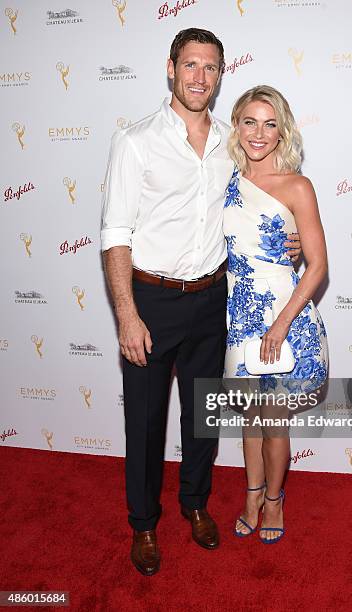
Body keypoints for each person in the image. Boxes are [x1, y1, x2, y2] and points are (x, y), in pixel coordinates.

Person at [100, 30, 301, 575]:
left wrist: (296, 236)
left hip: (214, 300)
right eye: (190, 65)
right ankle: (143, 524)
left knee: (202, 421)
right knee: (144, 423)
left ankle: (195, 505)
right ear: (171, 69)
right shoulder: (135, 140)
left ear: (220, 75)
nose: (199, 77)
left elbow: (265, 197)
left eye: (210, 68)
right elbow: (115, 231)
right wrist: (126, 313)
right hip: (151, 299)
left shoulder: (231, 145)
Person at [224, 85, 328, 543]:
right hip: (237, 315)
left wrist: (282, 322)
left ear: (282, 130)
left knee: (273, 420)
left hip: (283, 315)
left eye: (269, 123)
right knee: (250, 417)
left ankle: (273, 500)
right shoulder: (223, 180)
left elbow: (318, 265)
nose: (259, 133)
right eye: (250, 121)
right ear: (237, 126)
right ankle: (250, 494)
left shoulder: (297, 186)